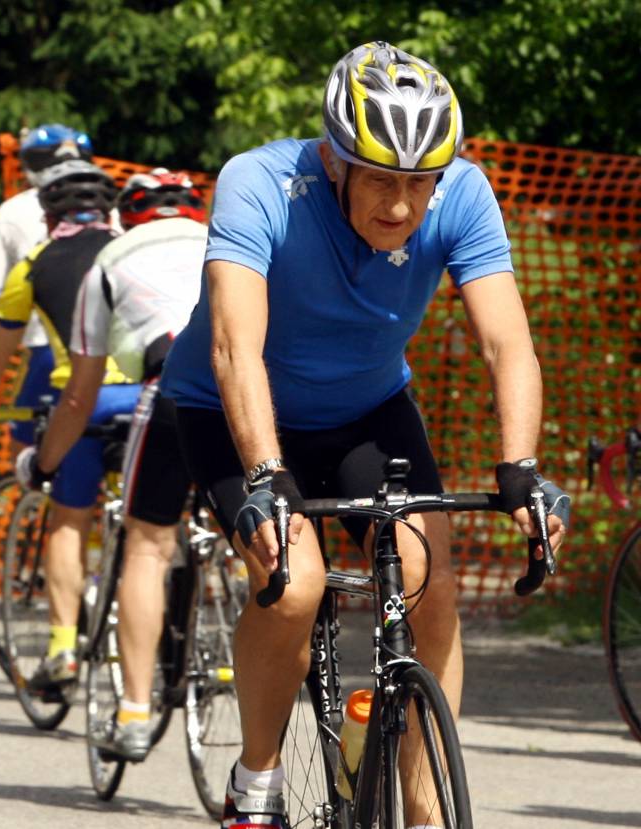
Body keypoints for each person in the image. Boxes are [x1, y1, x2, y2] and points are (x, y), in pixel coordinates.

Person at [159, 41, 570, 828]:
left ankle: (420, 807)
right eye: (382, 178)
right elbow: (233, 346)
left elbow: (506, 342)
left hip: (366, 408)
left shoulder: (466, 194)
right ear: (334, 158)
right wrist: (266, 475)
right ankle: (257, 780)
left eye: (421, 183)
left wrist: (520, 463)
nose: (402, 205)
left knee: (429, 581)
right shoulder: (262, 183)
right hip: (232, 408)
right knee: (295, 583)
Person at [29, 168, 208, 758]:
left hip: (168, 391)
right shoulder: (228, 240)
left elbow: (78, 395)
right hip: (255, 392)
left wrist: (41, 463)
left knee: (146, 546)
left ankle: (132, 709)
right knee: (265, 530)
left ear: (126, 216)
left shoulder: (106, 261)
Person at [0, 159, 140, 688]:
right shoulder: (134, 252)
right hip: (153, 398)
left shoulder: (33, 265)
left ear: (49, 215)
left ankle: (62, 649)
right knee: (152, 527)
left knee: (69, 520)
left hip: (85, 401)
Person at [0, 123, 94, 446]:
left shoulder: (12, 213)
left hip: (50, 351)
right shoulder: (113, 210)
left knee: (26, 450)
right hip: (120, 354)